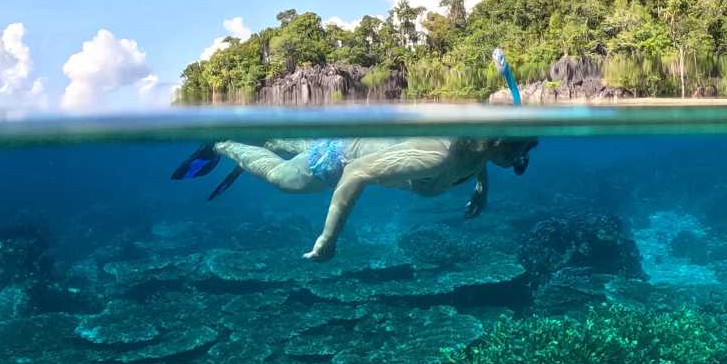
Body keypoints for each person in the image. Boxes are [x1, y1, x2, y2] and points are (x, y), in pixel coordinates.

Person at [173, 136, 537, 261]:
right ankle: (222, 145)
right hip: (340, 159)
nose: (524, 157)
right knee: (282, 179)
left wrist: (481, 188)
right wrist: (328, 240)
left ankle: (269, 141)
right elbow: (357, 173)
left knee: (299, 151)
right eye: (521, 148)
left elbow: (477, 161)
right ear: (495, 142)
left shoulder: (476, 150)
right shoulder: (435, 157)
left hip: (353, 144)